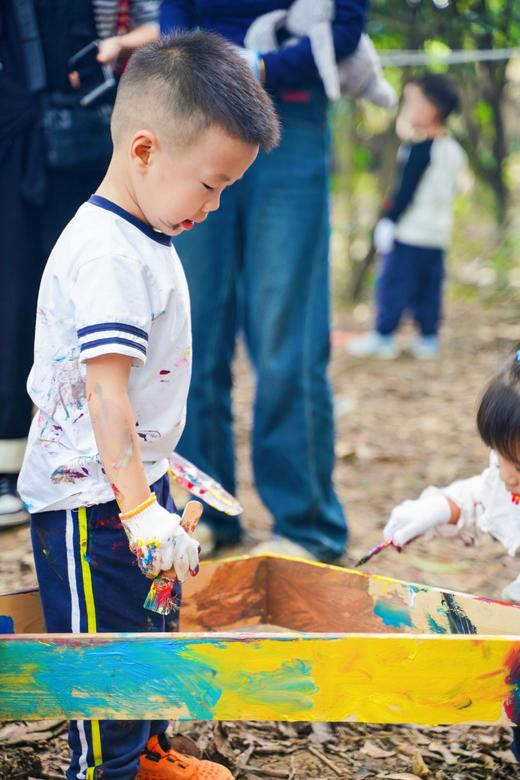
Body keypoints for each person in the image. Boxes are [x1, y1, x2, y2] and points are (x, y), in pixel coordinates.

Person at [18, 31, 279, 780]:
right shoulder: (108, 253)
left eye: (228, 187)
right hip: (90, 501)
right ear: (143, 151)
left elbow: (136, 389)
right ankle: (109, 767)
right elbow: (104, 393)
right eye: (210, 183)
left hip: (133, 482)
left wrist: (164, 477)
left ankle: (149, 753)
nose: (216, 203)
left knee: (150, 625)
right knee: (108, 659)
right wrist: (137, 511)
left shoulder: (147, 236)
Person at [160, 0, 368, 563]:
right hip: (199, 113)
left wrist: (263, 67)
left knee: (288, 337)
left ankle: (306, 527)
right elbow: (173, 15)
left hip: (292, 117)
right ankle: (202, 513)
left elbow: (346, 26)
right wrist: (213, 67)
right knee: (189, 335)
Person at [0, 0, 159, 528]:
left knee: (90, 316)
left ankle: (110, 467)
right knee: (17, 297)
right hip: (21, 132)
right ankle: (14, 460)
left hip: (92, 138)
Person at [383, 345, 520, 762]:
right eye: (498, 454)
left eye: (517, 463)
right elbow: (483, 495)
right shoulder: (504, 474)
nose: (504, 471)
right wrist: (440, 508)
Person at [347, 73, 467, 360]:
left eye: (413, 102)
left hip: (409, 233)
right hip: (437, 236)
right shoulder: (455, 151)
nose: (407, 108)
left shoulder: (417, 150)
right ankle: (428, 338)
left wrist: (388, 221)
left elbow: (404, 193)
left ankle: (384, 335)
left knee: (393, 284)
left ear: (432, 109)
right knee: (429, 287)